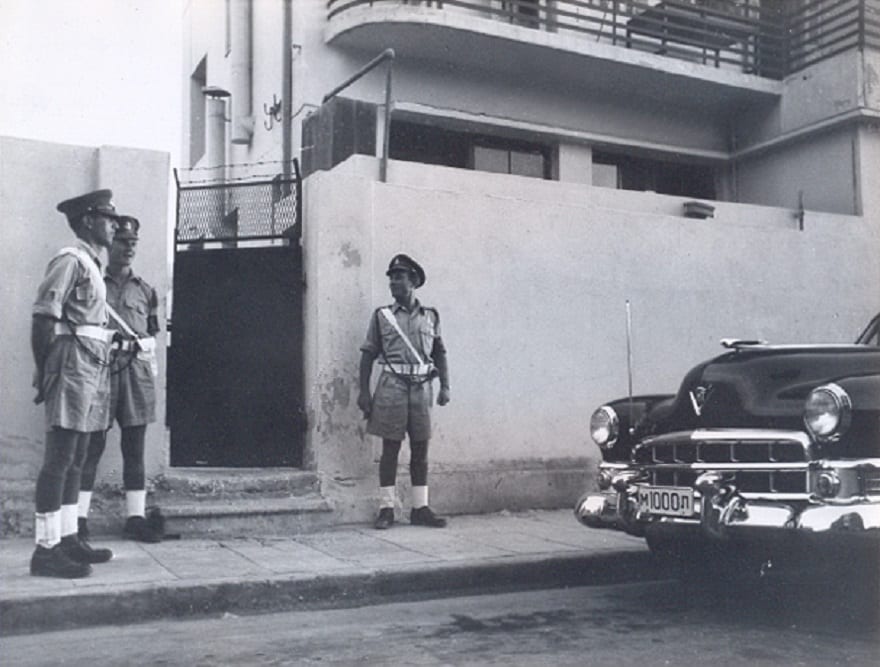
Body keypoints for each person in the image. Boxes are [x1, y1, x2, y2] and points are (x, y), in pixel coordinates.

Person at [30, 189, 121, 578]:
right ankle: (45, 549)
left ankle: (68, 538)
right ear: (88, 221)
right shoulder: (70, 260)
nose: (114, 224)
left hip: (92, 365)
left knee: (79, 459)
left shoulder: (92, 263)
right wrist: (43, 370)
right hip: (70, 364)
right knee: (60, 460)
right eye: (108, 217)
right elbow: (43, 318)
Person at [78, 215, 163, 543]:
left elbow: (152, 333)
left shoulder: (145, 291)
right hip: (101, 369)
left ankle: (136, 518)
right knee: (91, 446)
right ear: (110, 242)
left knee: (135, 447)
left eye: (133, 243)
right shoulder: (93, 281)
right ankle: (79, 519)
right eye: (122, 241)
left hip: (135, 373)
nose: (128, 248)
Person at [357, 254, 451, 530]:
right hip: (391, 388)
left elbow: (439, 353)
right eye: (391, 278)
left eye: (399, 277)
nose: (393, 283)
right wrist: (364, 392)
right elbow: (368, 355)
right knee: (390, 450)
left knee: (420, 449)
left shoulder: (430, 316)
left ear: (413, 282)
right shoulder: (382, 316)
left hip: (422, 390)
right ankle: (386, 508)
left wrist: (445, 386)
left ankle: (420, 508)